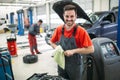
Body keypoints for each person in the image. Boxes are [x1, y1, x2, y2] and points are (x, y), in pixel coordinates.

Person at [50, 2, 94, 80]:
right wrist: (57, 48)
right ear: (63, 16)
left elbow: (91, 49)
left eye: (72, 16)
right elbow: (52, 42)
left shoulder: (81, 31)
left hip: (75, 66)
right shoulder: (59, 29)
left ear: (76, 16)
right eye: (67, 16)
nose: (69, 19)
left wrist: (74, 51)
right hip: (61, 64)